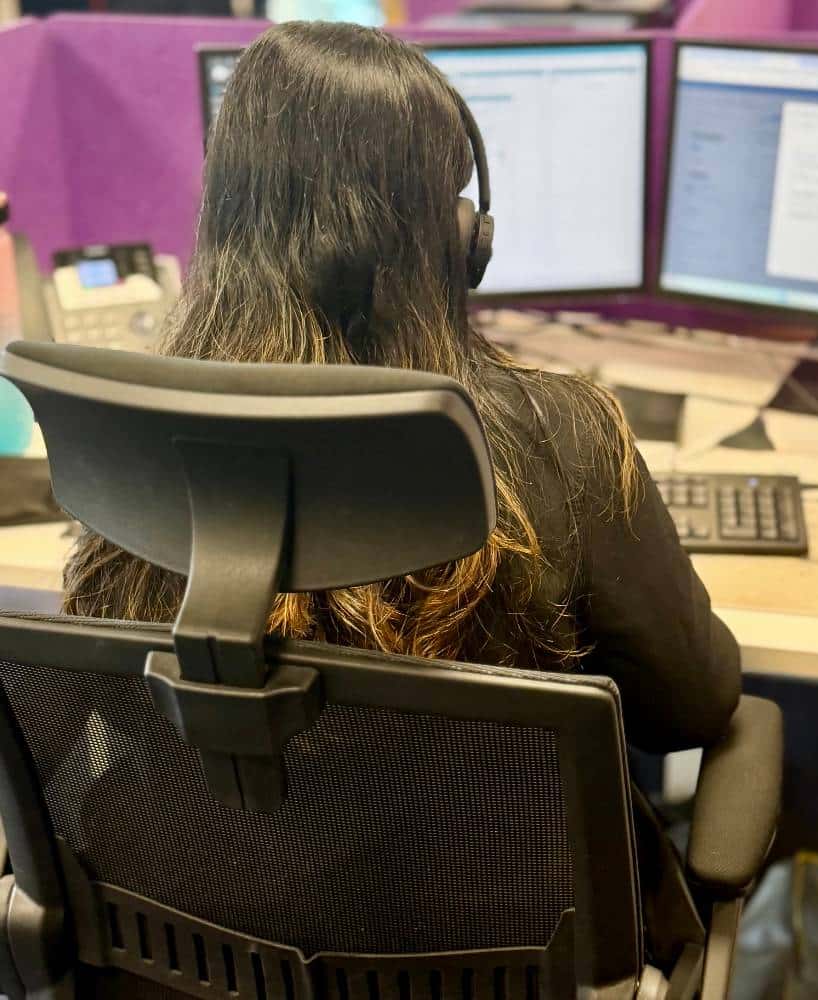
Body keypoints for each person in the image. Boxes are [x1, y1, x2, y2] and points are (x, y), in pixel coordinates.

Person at [62, 20, 740, 933]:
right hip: (499, 943)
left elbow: (105, 698)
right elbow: (689, 708)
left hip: (191, 946)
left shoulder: (134, 430)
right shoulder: (562, 436)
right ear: (457, 239)